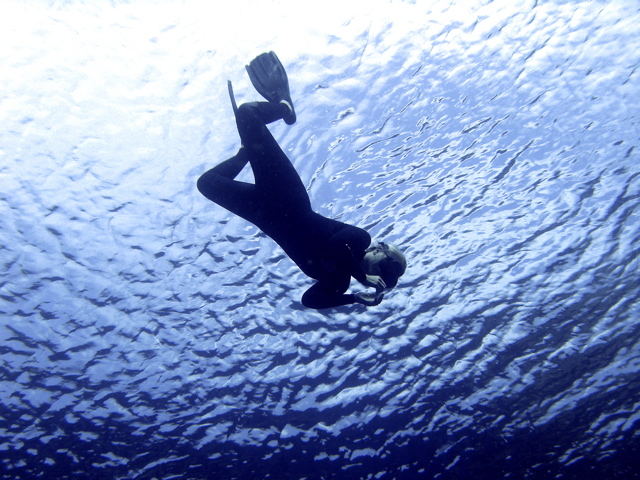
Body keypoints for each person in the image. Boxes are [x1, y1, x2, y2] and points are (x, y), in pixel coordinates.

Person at [197, 52, 406, 309]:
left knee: (207, 184)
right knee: (247, 114)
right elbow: (336, 245)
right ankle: (283, 106)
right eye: (382, 259)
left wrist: (353, 298)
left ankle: (244, 153)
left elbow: (310, 300)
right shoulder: (360, 239)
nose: (376, 257)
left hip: (264, 215)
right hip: (286, 197)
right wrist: (362, 276)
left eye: (382, 265)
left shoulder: (338, 281)